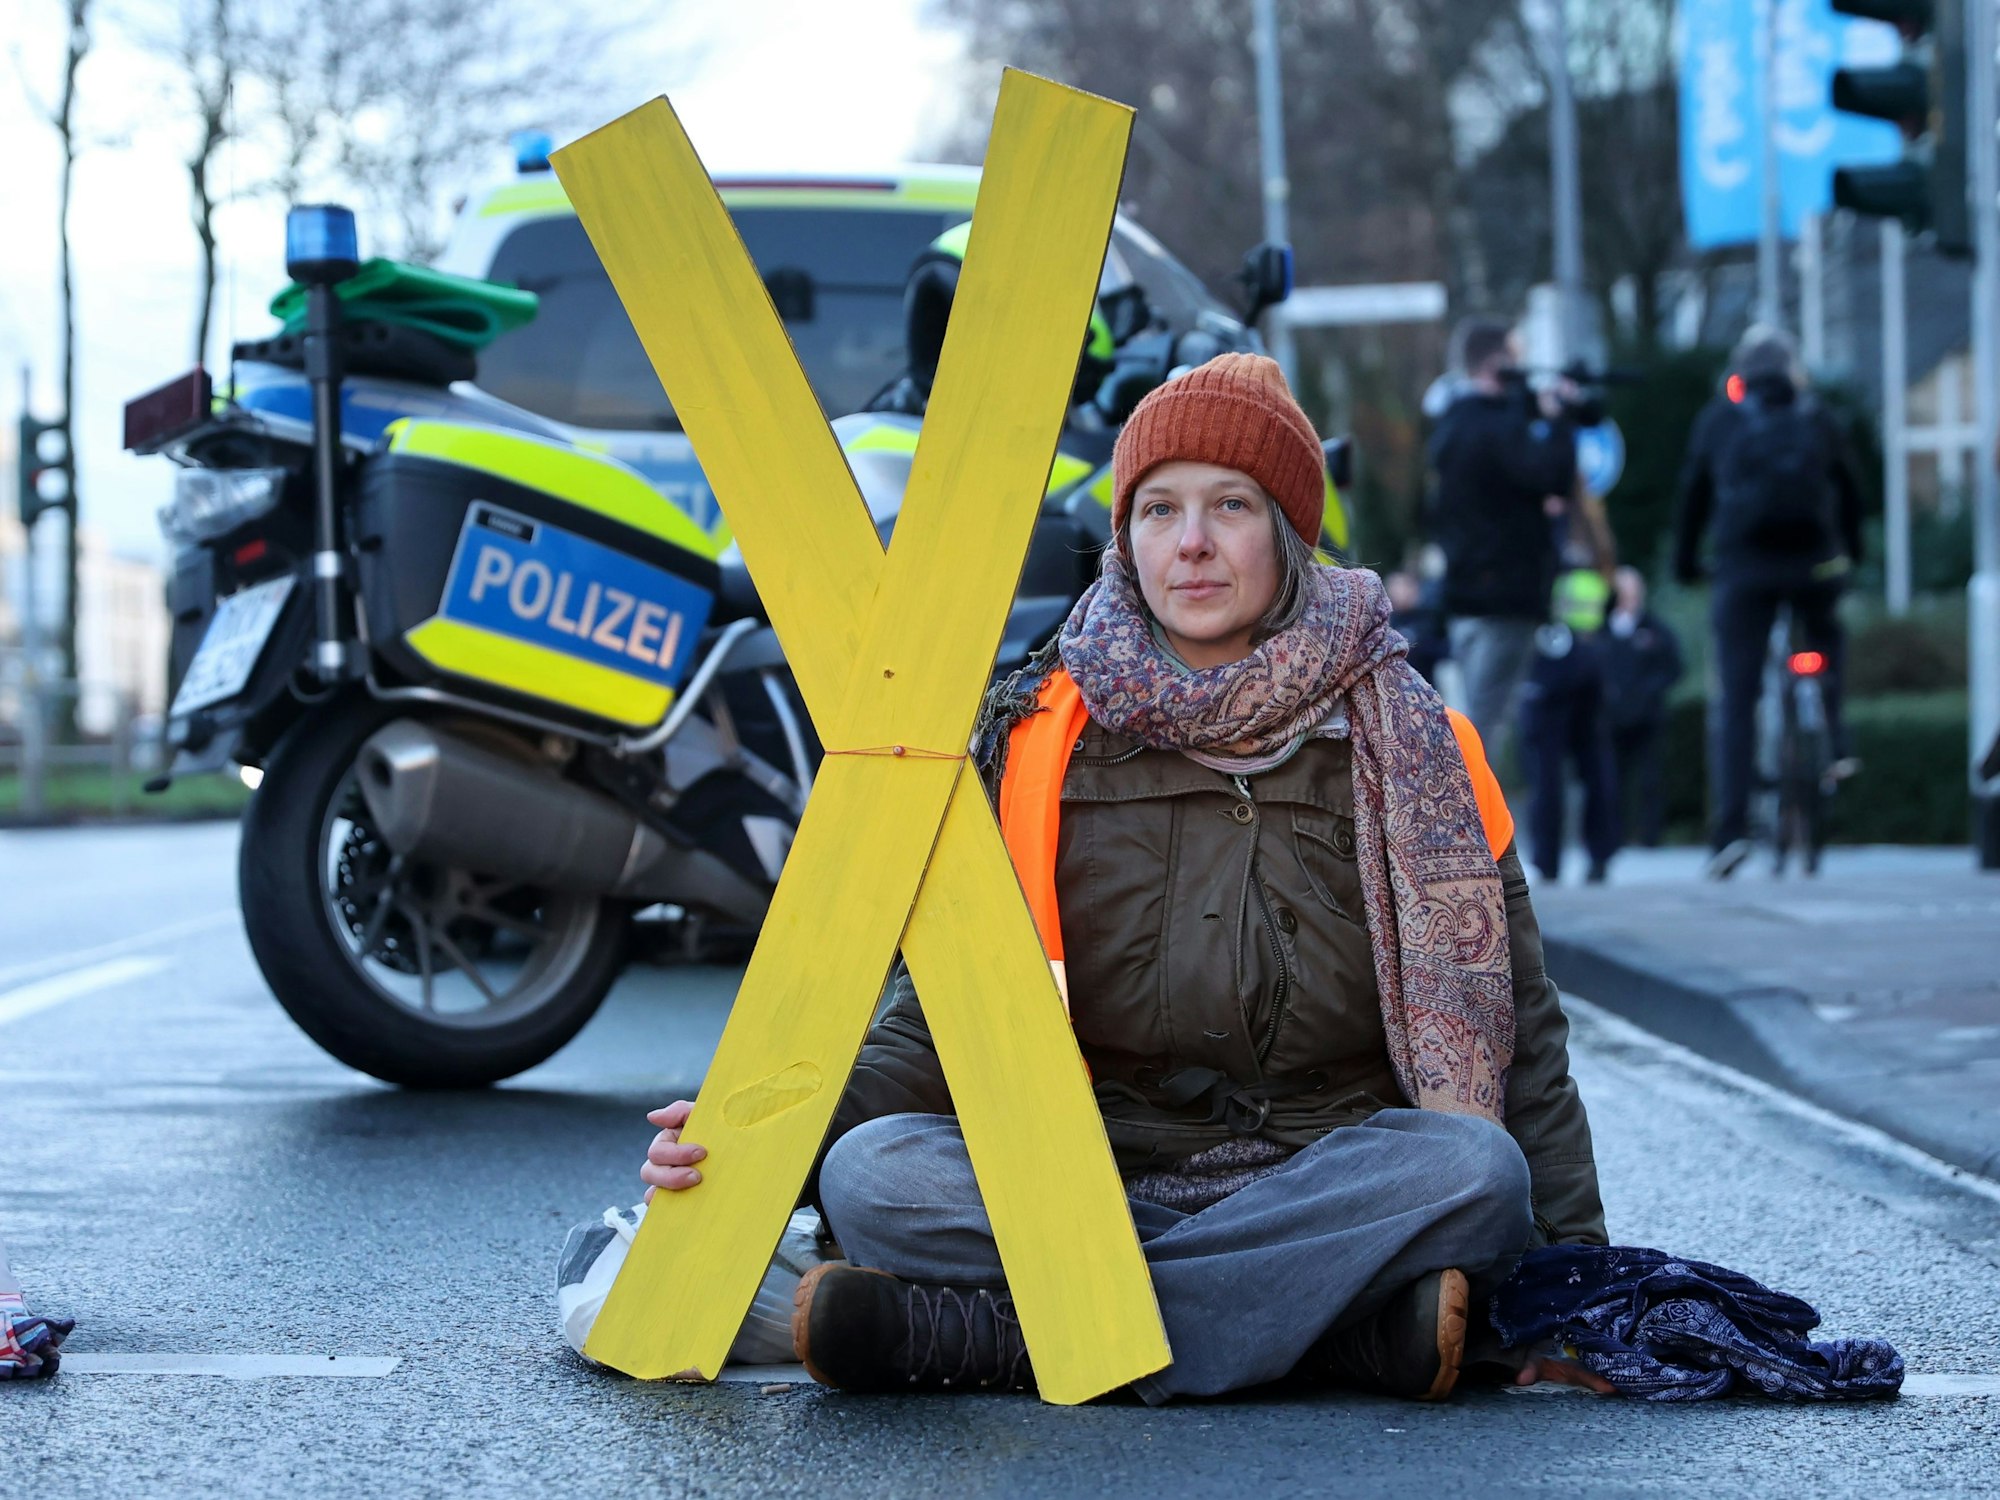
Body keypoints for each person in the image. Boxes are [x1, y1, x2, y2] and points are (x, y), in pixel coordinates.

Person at [638, 354, 1610, 1405]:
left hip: (1328, 1178)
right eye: (1156, 510)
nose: (1188, 544)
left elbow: (1522, 1033)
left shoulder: (1424, 743)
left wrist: (1578, 1280)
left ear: (1285, 533)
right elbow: (936, 1023)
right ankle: (1334, 1335)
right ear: (1123, 535)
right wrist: (753, 1140)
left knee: (1476, 1175)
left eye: (1228, 505)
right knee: (876, 1174)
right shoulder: (1035, 735)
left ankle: (999, 1340)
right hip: (1088, 1173)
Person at [1673, 326, 1865, 879]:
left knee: (1738, 697)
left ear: (1742, 372)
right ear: (1791, 370)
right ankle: (1835, 735)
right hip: (1815, 566)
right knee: (1826, 634)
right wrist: (1849, 554)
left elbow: (1693, 498)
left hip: (1744, 571)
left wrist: (1687, 565)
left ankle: (1730, 833)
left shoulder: (1720, 420)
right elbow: (1851, 490)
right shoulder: (1817, 416)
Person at [1427, 318, 1581, 761]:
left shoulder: (1452, 425)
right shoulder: (1497, 428)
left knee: (1471, 718)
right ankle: (1468, 826)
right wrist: (1562, 423)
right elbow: (1549, 475)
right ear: (1500, 365)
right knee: (1482, 731)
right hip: (1506, 593)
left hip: (1465, 591)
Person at [1517, 569, 1619, 884]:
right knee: (1593, 772)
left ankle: (1549, 863)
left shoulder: (1547, 549)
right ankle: (1598, 857)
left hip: (1554, 667)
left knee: (1548, 778)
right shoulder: (1594, 546)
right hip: (1588, 653)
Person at [1600, 567, 1684, 850]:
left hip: (1649, 717)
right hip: (1610, 719)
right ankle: (1615, 836)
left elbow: (1674, 668)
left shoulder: (1656, 630)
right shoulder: (1601, 629)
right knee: (1611, 778)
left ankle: (1651, 836)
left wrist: (1649, 692)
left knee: (1651, 777)